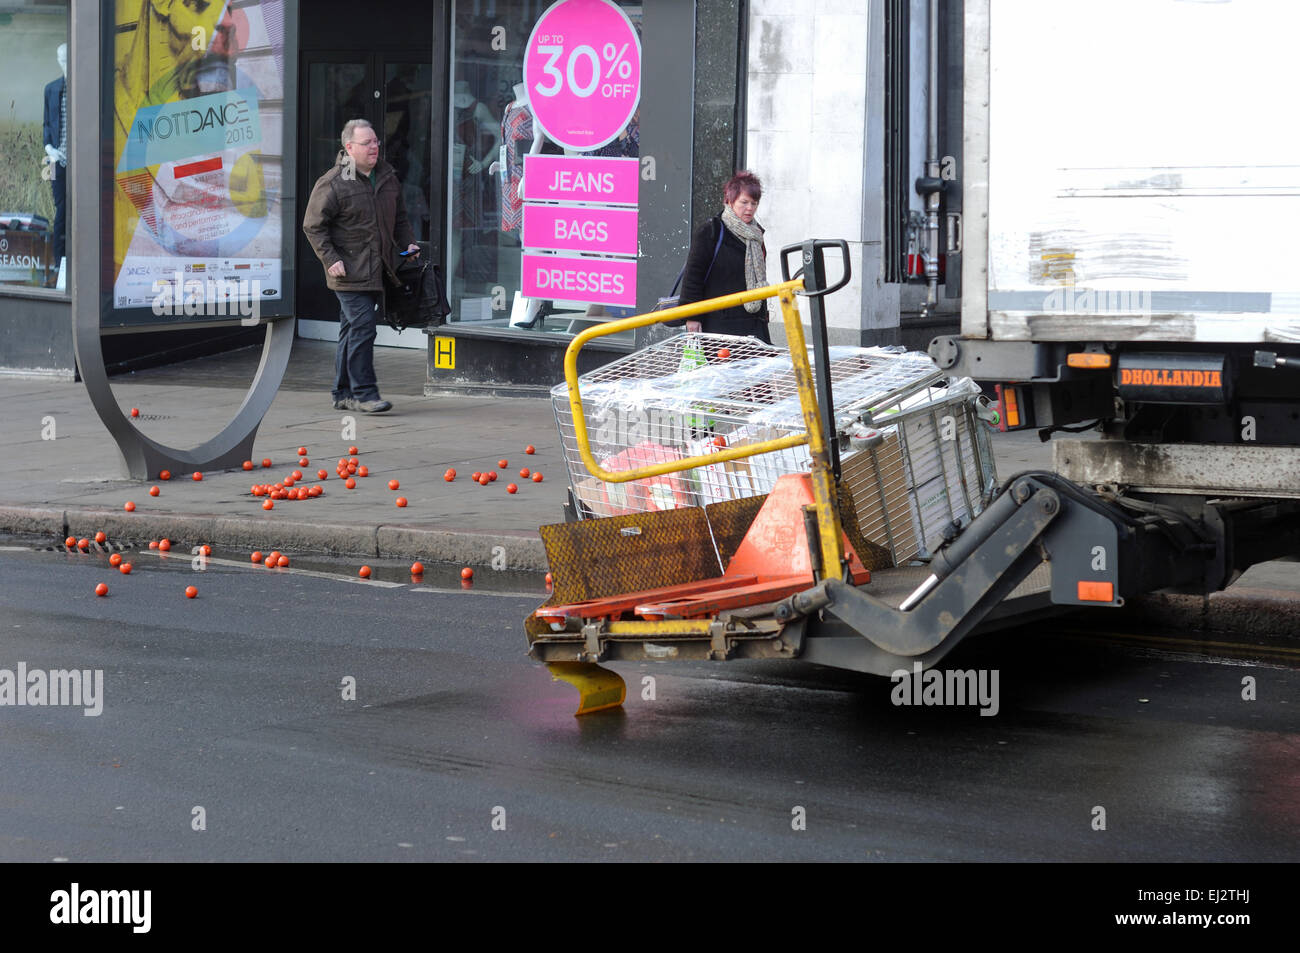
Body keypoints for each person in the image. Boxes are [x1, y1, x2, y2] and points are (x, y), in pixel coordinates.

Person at [303, 119, 420, 413]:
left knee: (351, 329)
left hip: (379, 270)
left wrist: (408, 245)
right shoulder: (333, 182)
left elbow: (401, 218)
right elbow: (313, 226)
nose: (374, 147)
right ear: (349, 147)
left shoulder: (387, 177)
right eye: (367, 143)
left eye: (376, 142)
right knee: (364, 327)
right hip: (347, 272)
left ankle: (342, 393)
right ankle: (364, 394)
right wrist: (331, 259)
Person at [679, 171, 771, 344]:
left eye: (754, 203)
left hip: (752, 325)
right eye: (744, 202)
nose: (750, 208)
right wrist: (692, 317)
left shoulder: (756, 235)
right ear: (729, 201)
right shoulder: (712, 230)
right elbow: (693, 277)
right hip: (718, 326)